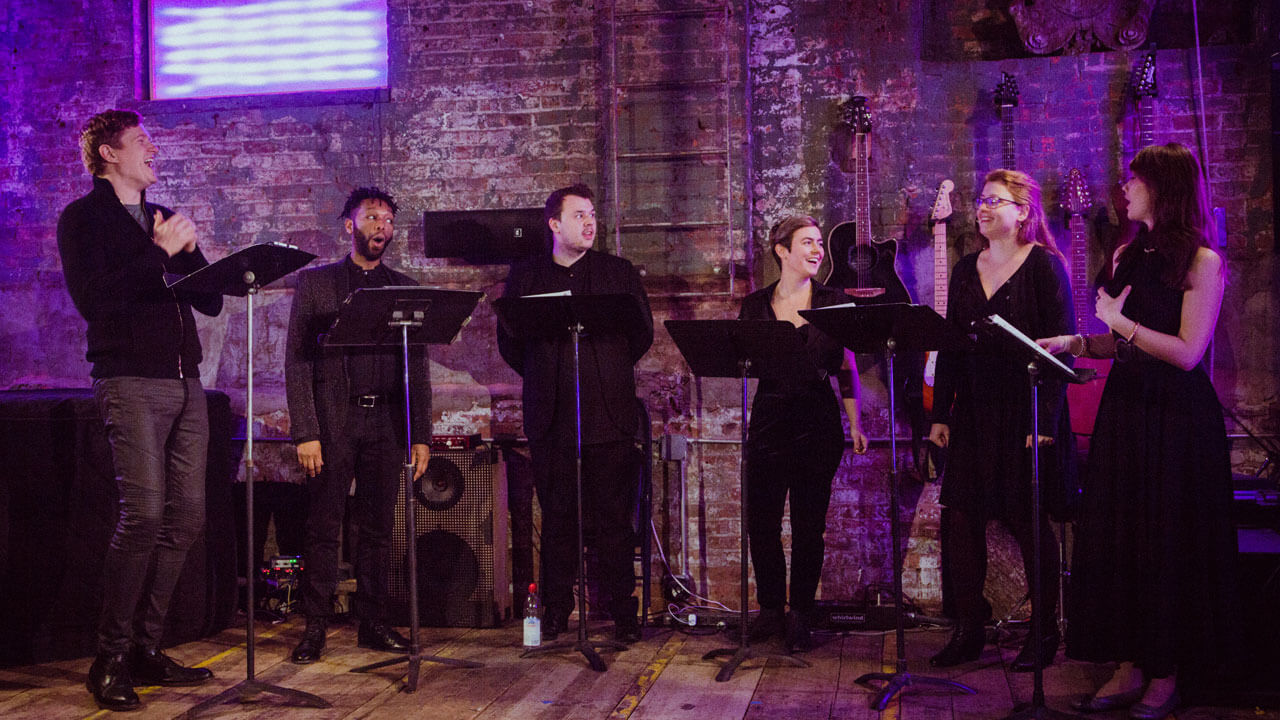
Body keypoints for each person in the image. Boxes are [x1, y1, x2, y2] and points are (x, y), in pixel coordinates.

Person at [1039, 143, 1237, 720]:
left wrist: (1119, 323)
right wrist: (1077, 343)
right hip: (1127, 412)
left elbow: (1185, 353)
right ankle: (1127, 662)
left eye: (1135, 179)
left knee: (1166, 543)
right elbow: (1117, 339)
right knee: (1121, 540)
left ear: (1165, 187)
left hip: (1176, 420)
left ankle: (1166, 672)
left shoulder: (1203, 261)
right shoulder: (1130, 252)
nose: (1125, 187)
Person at [57, 109, 223, 710]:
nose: (153, 148)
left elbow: (206, 299)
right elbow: (94, 300)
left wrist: (193, 249)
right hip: (129, 380)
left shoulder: (161, 215)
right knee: (145, 515)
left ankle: (149, 648)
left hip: (187, 385)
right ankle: (110, 656)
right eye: (141, 141)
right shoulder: (83, 219)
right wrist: (158, 252)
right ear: (108, 154)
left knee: (187, 519)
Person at [927, 169, 1074, 671]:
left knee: (1029, 520)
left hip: (1027, 410)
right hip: (971, 410)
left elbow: (1063, 348)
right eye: (981, 200)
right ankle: (969, 626)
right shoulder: (968, 269)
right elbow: (950, 343)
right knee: (961, 518)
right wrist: (939, 413)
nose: (982, 208)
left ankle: (1044, 631)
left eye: (995, 200)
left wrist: (1047, 419)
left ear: (1023, 212)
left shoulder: (1045, 267)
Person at [497, 184, 653, 644]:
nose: (589, 223)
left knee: (612, 520)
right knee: (558, 517)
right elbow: (511, 342)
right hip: (550, 416)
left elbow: (640, 335)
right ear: (554, 224)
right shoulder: (526, 276)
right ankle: (556, 610)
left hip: (609, 417)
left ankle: (623, 612)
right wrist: (547, 373)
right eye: (579, 215)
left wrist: (605, 372)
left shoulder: (617, 273)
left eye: (592, 216)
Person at [285, 187, 431, 664]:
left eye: (388, 219)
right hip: (333, 423)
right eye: (372, 217)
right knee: (324, 526)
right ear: (350, 225)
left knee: (378, 529)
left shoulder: (402, 287)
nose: (381, 227)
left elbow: (418, 368)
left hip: (387, 424)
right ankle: (315, 627)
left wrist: (421, 434)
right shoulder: (317, 285)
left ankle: (373, 622)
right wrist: (305, 430)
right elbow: (298, 361)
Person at [738, 215, 868, 652]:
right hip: (770, 418)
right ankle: (771, 609)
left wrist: (855, 422)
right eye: (807, 243)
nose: (817, 251)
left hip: (817, 421)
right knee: (762, 523)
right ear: (782, 251)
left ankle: (800, 614)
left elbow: (847, 366)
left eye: (819, 243)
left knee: (809, 526)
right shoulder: (755, 306)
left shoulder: (833, 300)